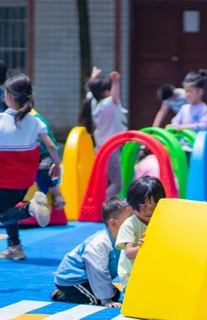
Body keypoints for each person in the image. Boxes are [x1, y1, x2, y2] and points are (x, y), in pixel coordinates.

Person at [0, 74, 61, 260]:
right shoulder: (35, 121)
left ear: (9, 97)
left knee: (4, 215)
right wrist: (57, 166)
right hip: (25, 178)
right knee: (9, 207)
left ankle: (30, 209)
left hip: (5, 177)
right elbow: (51, 145)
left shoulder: (2, 120)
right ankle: (15, 247)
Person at [51, 196, 132, 307]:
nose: (134, 222)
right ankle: (63, 294)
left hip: (89, 278)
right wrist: (106, 300)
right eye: (131, 219)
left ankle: (90, 293)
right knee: (95, 300)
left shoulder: (124, 239)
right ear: (114, 224)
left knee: (115, 294)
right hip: (73, 278)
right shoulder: (100, 243)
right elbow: (99, 271)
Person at [79, 66, 127, 197]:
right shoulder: (107, 106)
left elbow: (90, 90)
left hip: (100, 147)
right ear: (106, 92)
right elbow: (115, 98)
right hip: (110, 148)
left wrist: (93, 77)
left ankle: (99, 201)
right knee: (117, 184)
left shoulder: (94, 101)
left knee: (103, 181)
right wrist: (116, 81)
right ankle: (101, 203)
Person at [116, 176, 166, 291]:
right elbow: (129, 253)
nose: (150, 210)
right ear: (133, 205)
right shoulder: (130, 225)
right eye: (144, 206)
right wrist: (141, 248)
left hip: (153, 274)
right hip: (132, 277)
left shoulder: (161, 220)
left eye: (155, 205)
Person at [31, 108, 65, 210]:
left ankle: (56, 193)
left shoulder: (35, 118)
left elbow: (50, 146)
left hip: (45, 153)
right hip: (29, 155)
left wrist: (57, 162)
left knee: (45, 168)